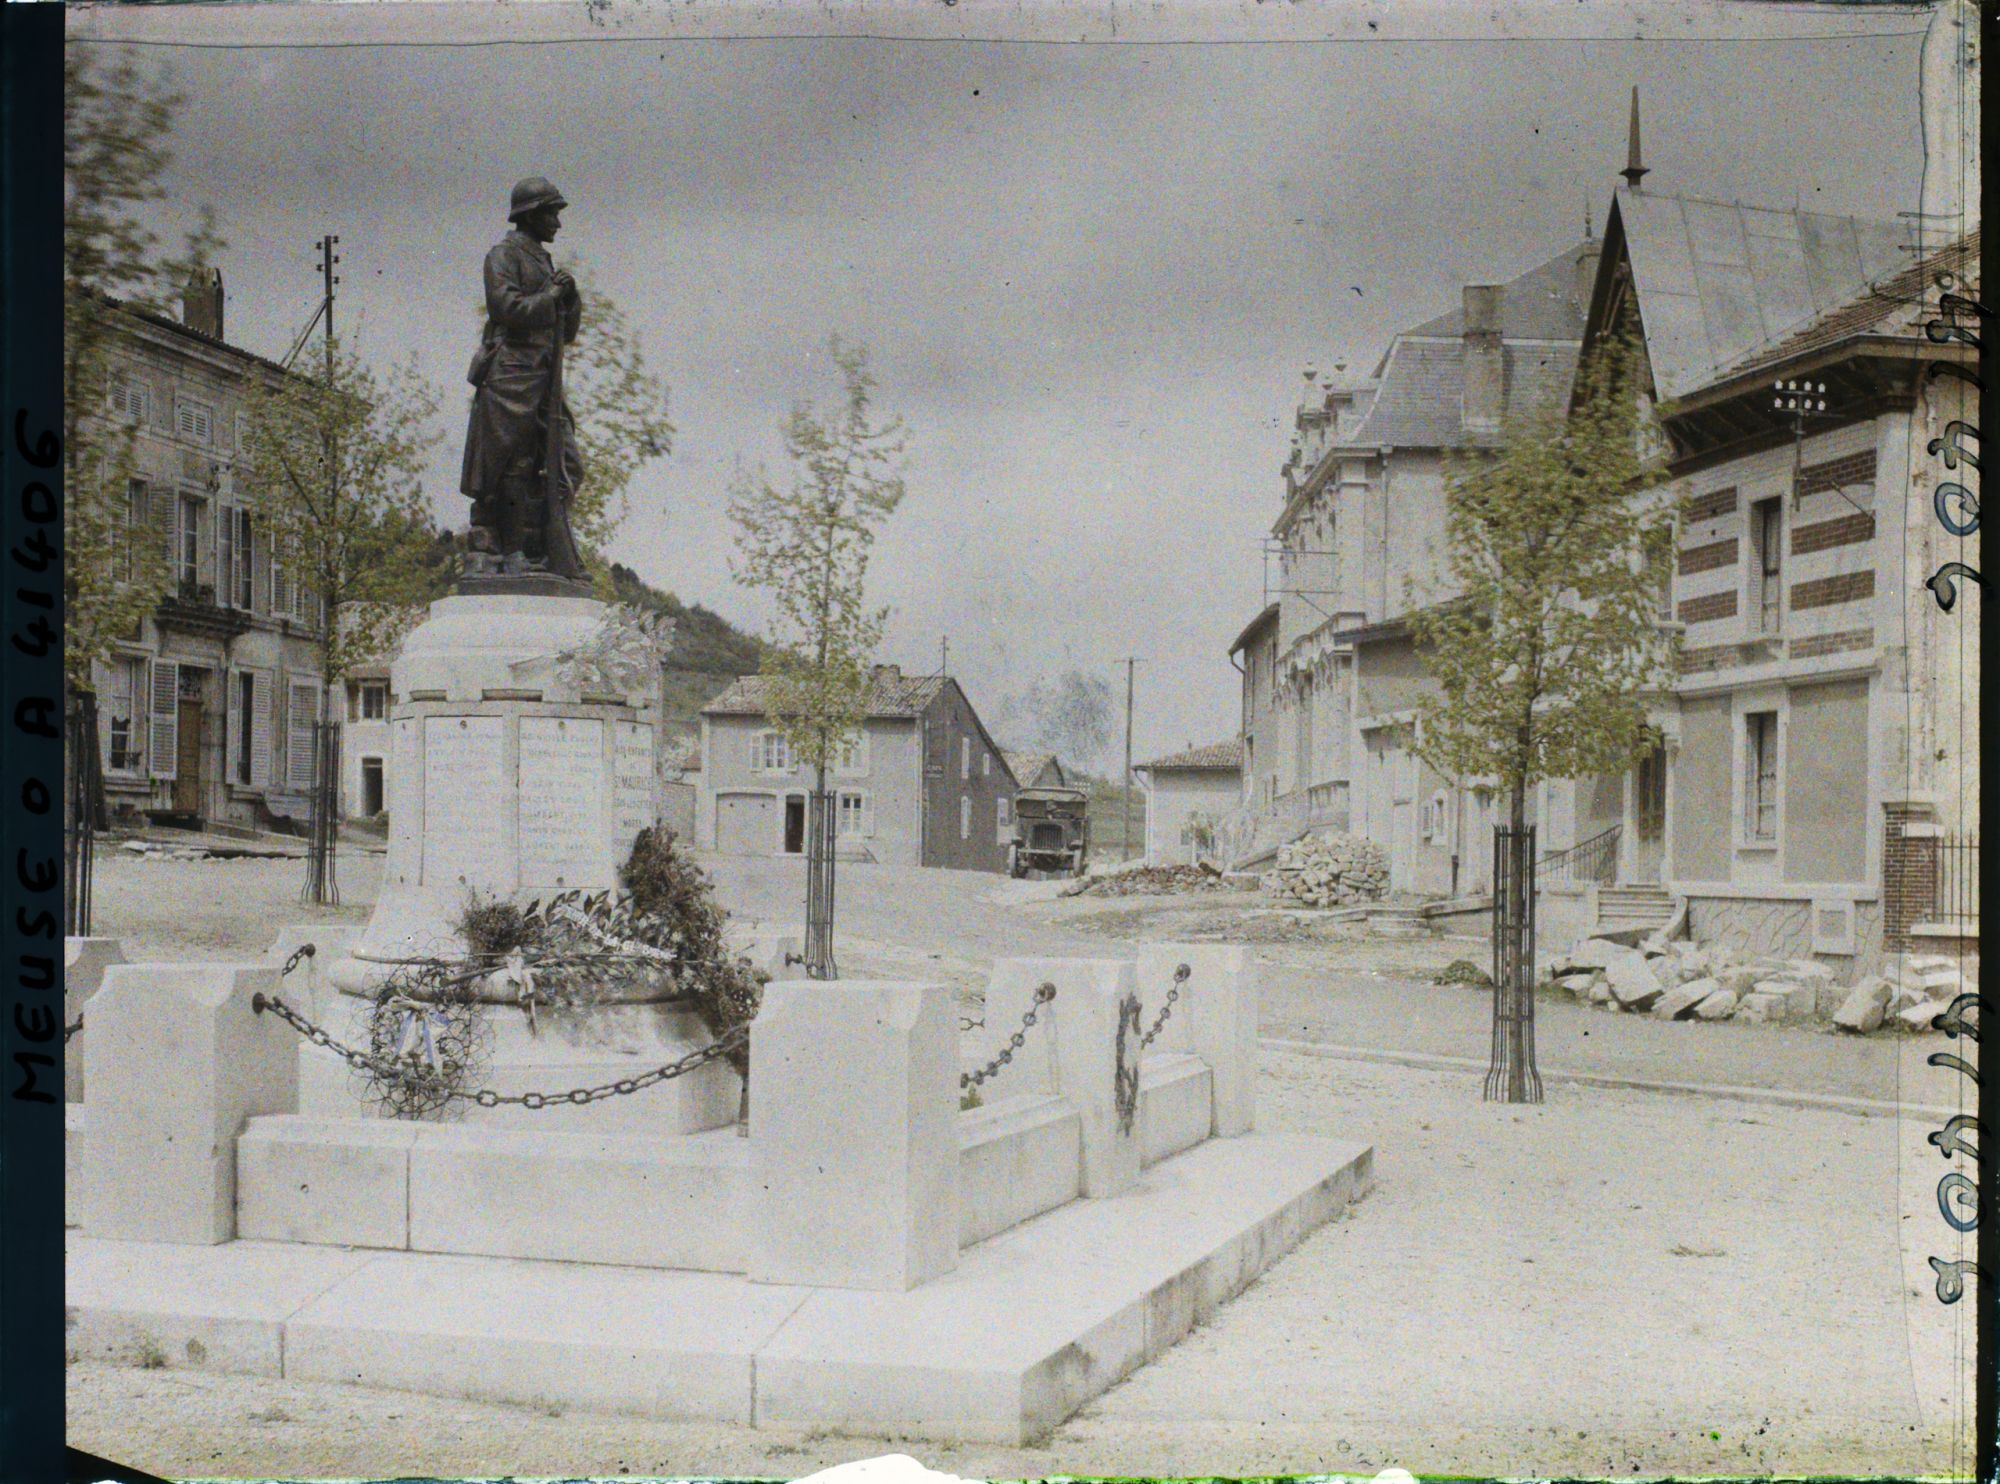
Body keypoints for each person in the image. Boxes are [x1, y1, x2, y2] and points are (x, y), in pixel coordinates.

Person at [459, 175, 586, 579]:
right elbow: (505, 309)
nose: (558, 224)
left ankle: (550, 548)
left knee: (568, 462)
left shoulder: (542, 260)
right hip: (511, 376)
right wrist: (550, 296)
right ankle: (514, 552)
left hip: (543, 378)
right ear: (531, 214)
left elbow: (564, 332)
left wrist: (571, 297)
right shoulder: (502, 256)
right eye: (552, 213)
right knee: (514, 465)